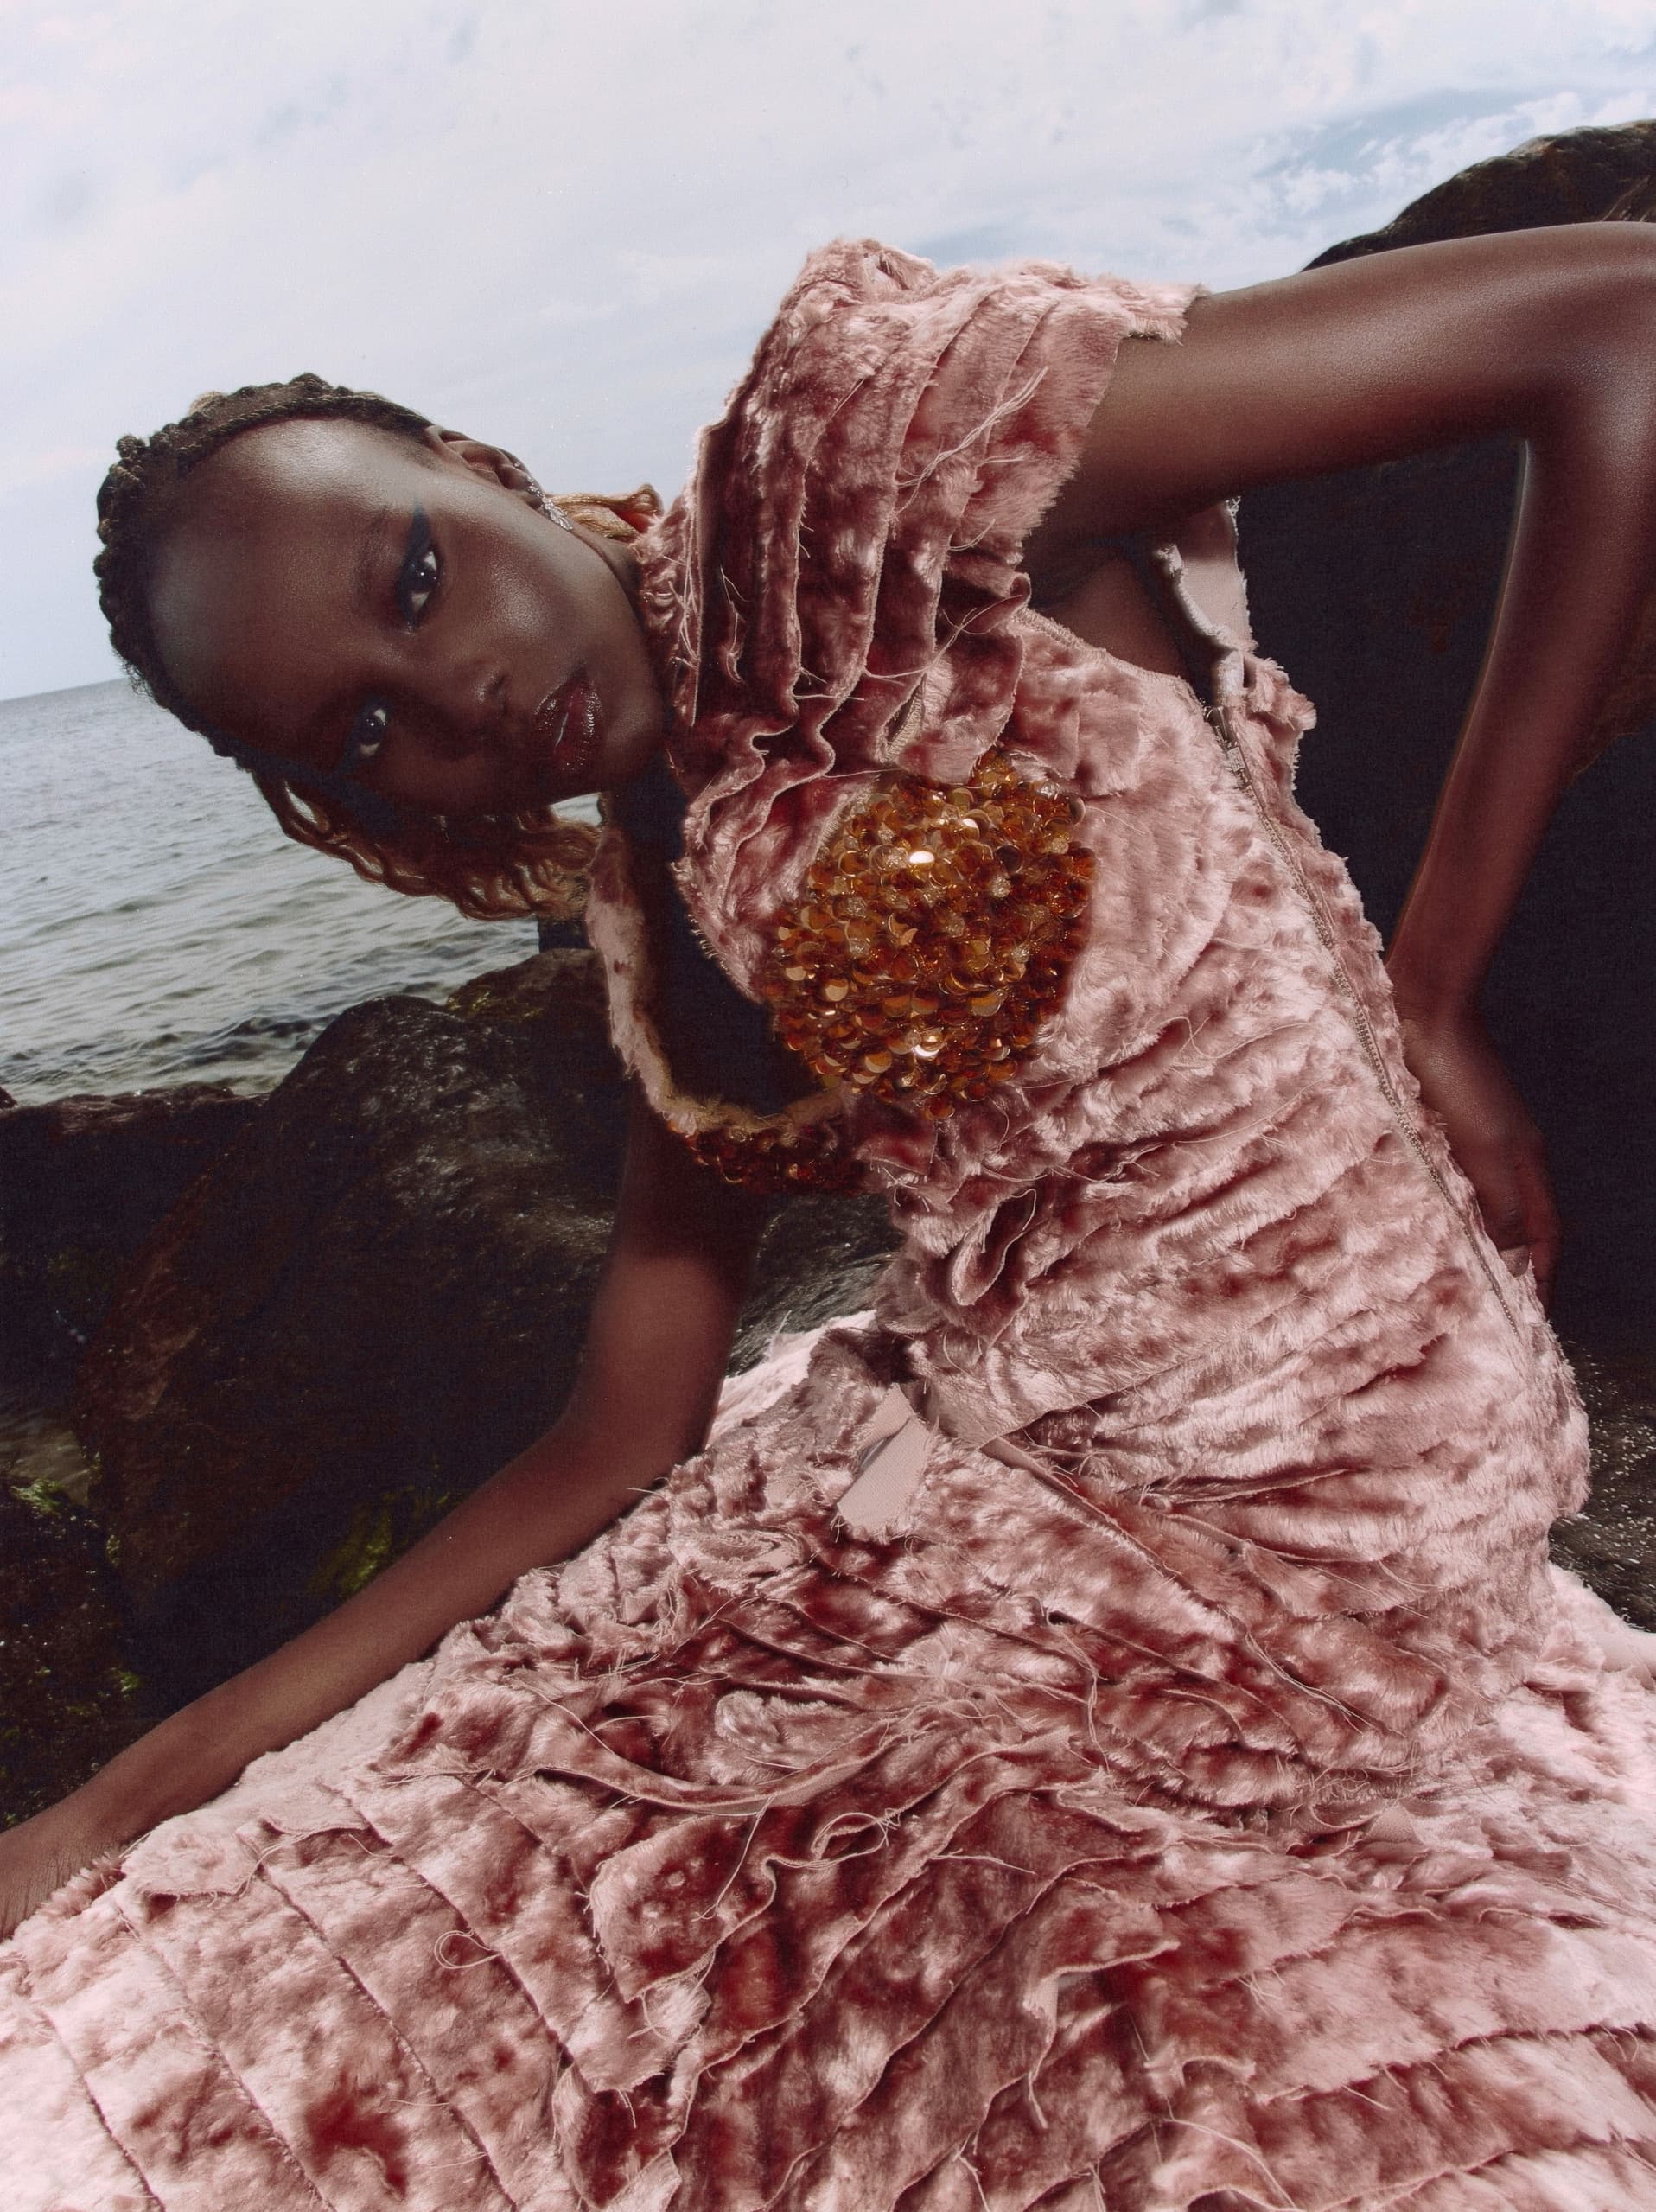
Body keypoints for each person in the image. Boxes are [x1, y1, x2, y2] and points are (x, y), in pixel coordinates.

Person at [4, 224, 1656, 2207]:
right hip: (1021, 1487)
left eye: (415, 574)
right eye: (361, 727)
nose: (457, 693)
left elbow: (1615, 325)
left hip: (1338, 1486)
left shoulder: (857, 461)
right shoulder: (659, 888)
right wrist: (117, 1792)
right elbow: (620, 1426)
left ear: (471, 462)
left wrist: (1431, 980)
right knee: (325, 1985)